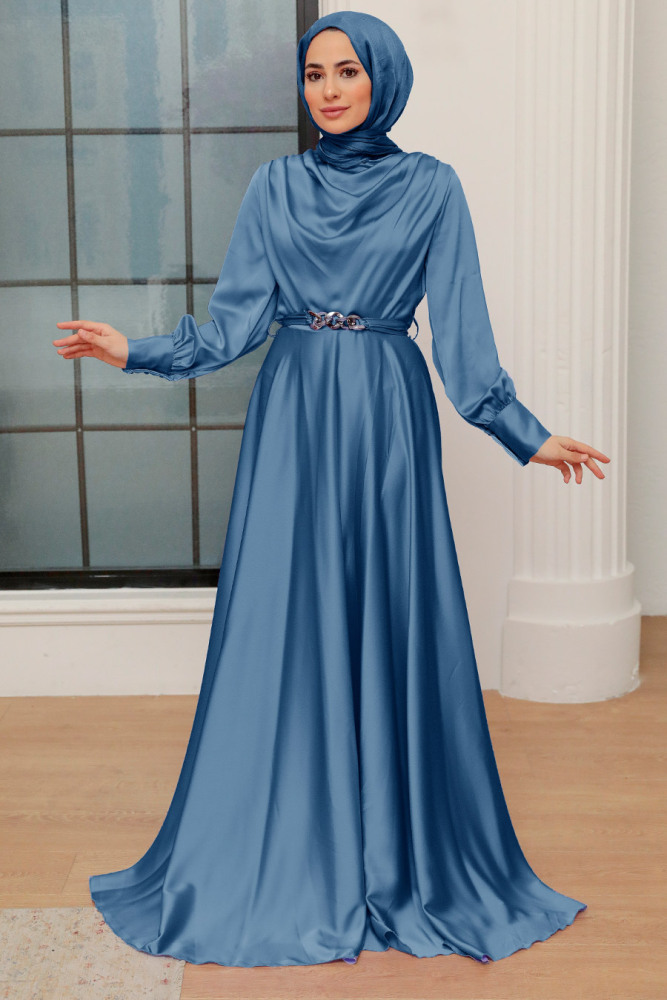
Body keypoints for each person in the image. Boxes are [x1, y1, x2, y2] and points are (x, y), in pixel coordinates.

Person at [53, 10, 605, 969]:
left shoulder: (432, 187)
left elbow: (463, 341)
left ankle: (394, 846)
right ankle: (286, 841)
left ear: (382, 79)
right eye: (314, 75)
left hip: (387, 414)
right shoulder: (273, 186)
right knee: (286, 614)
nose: (329, 90)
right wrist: (130, 349)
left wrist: (527, 435)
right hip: (296, 415)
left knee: (389, 612)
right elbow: (231, 329)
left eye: (347, 71)